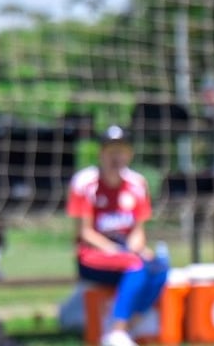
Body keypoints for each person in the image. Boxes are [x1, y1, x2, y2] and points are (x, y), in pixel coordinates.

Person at [67, 125, 169, 346]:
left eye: (121, 151)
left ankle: (128, 326)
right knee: (135, 264)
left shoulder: (137, 183)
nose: (116, 157)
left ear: (129, 154)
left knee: (159, 267)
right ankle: (116, 331)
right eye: (111, 151)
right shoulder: (85, 183)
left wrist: (135, 247)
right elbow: (84, 232)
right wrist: (117, 251)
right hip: (93, 254)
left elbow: (138, 230)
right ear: (101, 153)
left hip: (125, 252)